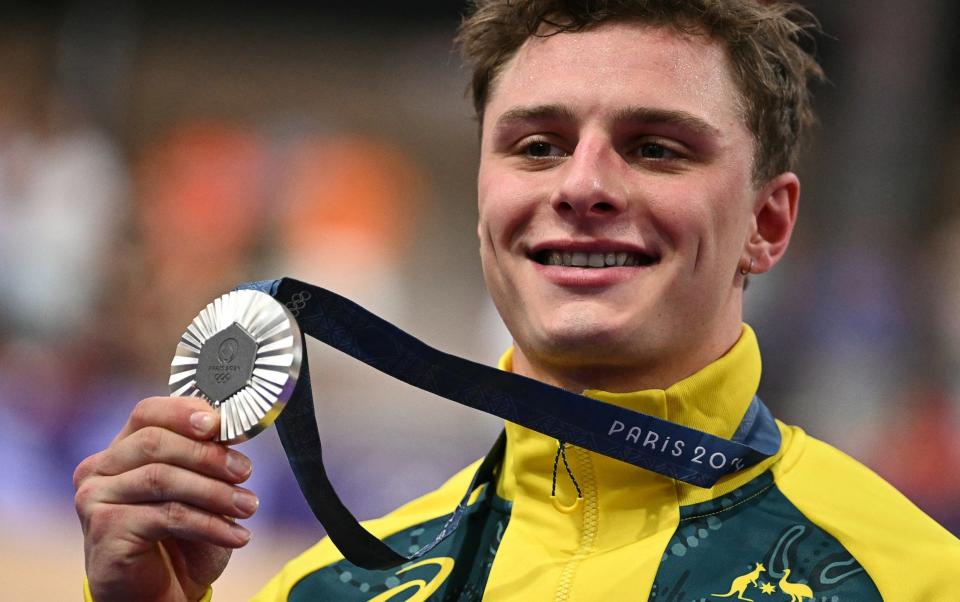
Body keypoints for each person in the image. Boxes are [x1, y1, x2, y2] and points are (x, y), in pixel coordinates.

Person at [74, 1, 960, 600]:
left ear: (767, 223)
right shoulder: (336, 588)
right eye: (537, 145)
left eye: (656, 148)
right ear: (483, 204)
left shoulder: (908, 579)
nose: (582, 184)